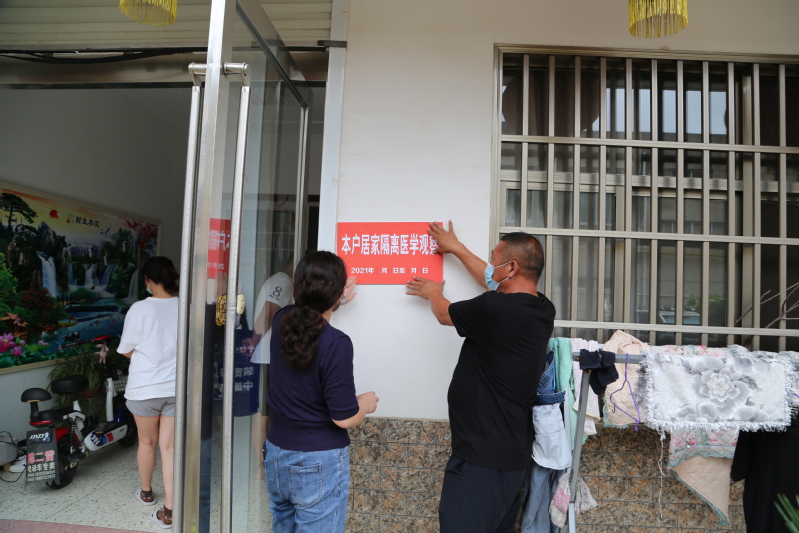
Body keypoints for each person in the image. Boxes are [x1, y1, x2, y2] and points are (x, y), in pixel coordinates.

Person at [406, 222, 555, 533]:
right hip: (511, 457)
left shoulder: (495, 308)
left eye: (494, 260)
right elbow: (491, 280)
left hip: (481, 461)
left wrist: (433, 292)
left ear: (511, 267)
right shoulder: (541, 308)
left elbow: (444, 313)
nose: (490, 266)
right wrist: (456, 248)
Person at [265, 251, 376, 533]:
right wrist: (364, 404)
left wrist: (335, 299)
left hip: (276, 453)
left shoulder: (281, 321)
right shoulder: (336, 342)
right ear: (336, 294)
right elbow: (344, 418)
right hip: (317, 460)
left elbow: (308, 319)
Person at [118, 256, 179, 530]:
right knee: (169, 447)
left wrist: (146, 357)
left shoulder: (139, 309)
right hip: (175, 388)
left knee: (146, 442)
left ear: (148, 280)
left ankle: (146, 494)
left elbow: (126, 349)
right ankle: (170, 511)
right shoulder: (185, 307)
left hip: (144, 389)